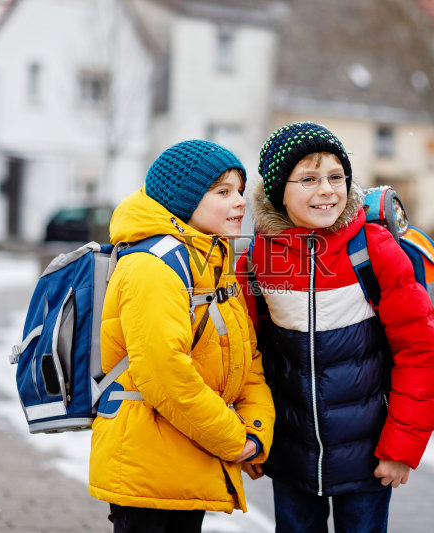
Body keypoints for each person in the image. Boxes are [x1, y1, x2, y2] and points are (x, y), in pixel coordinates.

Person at [236, 122, 434, 533]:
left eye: (336, 177)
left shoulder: (373, 249)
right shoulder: (260, 256)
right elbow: (249, 356)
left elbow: (420, 352)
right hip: (291, 452)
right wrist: (253, 435)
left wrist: (401, 448)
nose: (328, 190)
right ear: (279, 189)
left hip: (370, 457)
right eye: (309, 179)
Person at [89, 140, 275, 533]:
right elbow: (165, 375)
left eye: (240, 191)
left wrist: (255, 430)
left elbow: (248, 360)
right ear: (183, 201)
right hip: (150, 463)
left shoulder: (213, 259)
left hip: (186, 456)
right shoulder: (152, 267)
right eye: (223, 192)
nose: (240, 202)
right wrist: (233, 440)